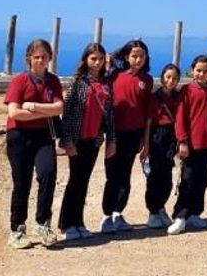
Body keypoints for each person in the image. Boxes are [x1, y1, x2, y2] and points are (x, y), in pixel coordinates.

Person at [3, 39, 65, 248]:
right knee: (22, 182)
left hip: (43, 136)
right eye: (36, 57)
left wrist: (33, 107)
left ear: (50, 58)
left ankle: (43, 223)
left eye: (44, 57)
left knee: (48, 175)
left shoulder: (53, 81)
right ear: (29, 58)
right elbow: (14, 113)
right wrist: (44, 111)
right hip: (19, 135)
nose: (40, 60)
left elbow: (59, 108)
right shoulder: (20, 81)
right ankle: (17, 229)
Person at [57, 42, 116, 241]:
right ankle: (67, 224)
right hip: (77, 139)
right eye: (93, 59)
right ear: (85, 60)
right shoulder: (78, 83)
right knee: (74, 181)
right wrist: (67, 141)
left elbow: (109, 116)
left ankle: (79, 222)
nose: (97, 62)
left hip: (94, 139)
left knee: (84, 181)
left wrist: (111, 140)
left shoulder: (106, 84)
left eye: (100, 59)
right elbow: (67, 113)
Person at [100, 39, 153, 233]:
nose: (138, 60)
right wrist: (114, 57)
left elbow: (147, 113)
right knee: (112, 175)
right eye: (134, 56)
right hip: (115, 133)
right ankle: (107, 215)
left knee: (125, 174)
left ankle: (118, 212)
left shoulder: (147, 80)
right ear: (126, 57)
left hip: (134, 133)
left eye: (141, 56)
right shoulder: (114, 75)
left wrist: (145, 141)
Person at [169, 55, 207, 234]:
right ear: (192, 71)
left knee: (203, 179)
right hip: (191, 144)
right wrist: (182, 141)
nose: (201, 74)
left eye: (205, 71)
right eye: (198, 70)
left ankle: (195, 212)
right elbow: (180, 118)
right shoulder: (187, 91)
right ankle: (180, 215)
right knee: (187, 180)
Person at [145, 64, 183, 227]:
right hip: (158, 135)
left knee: (167, 174)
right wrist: (146, 144)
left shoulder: (178, 97)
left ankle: (161, 207)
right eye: (168, 77)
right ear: (162, 78)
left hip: (172, 136)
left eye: (174, 78)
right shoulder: (155, 97)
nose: (171, 81)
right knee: (155, 174)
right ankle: (153, 211)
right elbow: (148, 121)